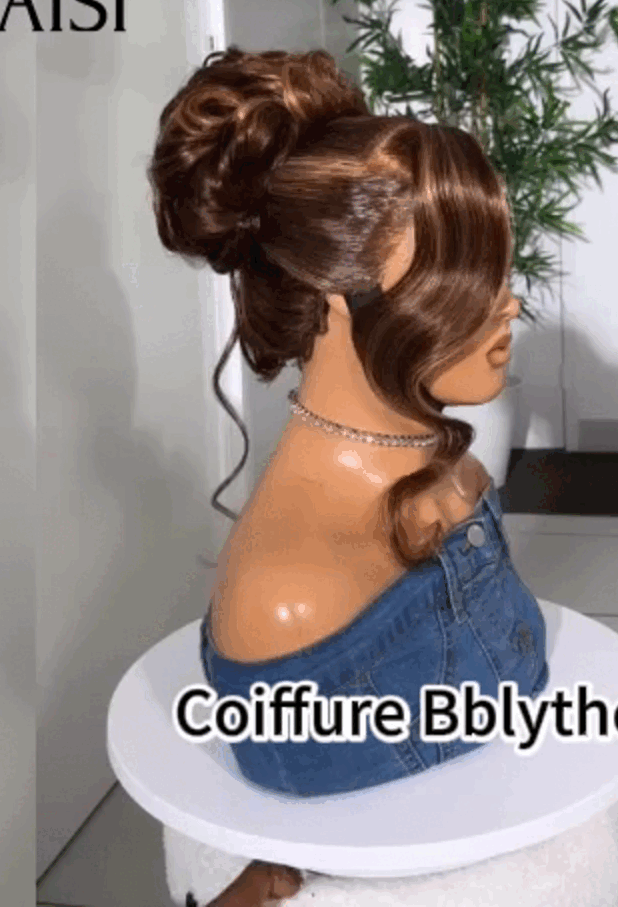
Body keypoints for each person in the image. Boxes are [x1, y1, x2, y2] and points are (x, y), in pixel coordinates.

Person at [147, 47, 550, 904]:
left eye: (500, 269)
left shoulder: (457, 475)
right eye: (460, 280)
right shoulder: (284, 599)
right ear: (338, 300)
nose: (507, 302)